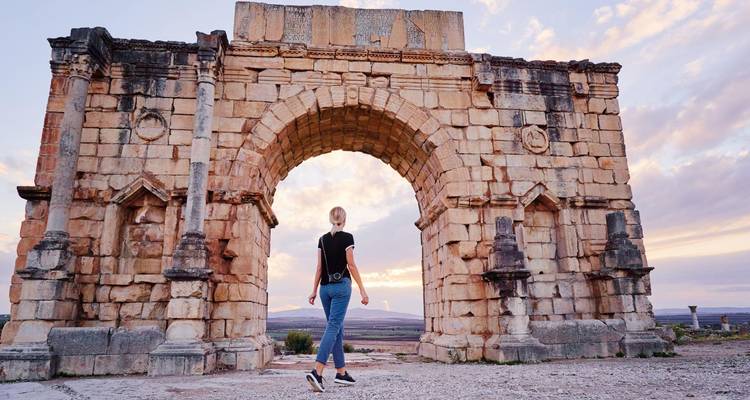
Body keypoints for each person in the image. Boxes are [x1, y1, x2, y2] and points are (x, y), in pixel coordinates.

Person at [305, 206, 369, 392]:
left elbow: (319, 268)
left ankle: (341, 373)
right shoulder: (348, 238)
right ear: (344, 220)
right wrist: (363, 290)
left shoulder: (322, 240)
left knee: (337, 328)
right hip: (341, 287)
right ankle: (317, 372)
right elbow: (351, 265)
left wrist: (314, 290)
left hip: (325, 289)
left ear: (330, 219)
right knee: (333, 326)